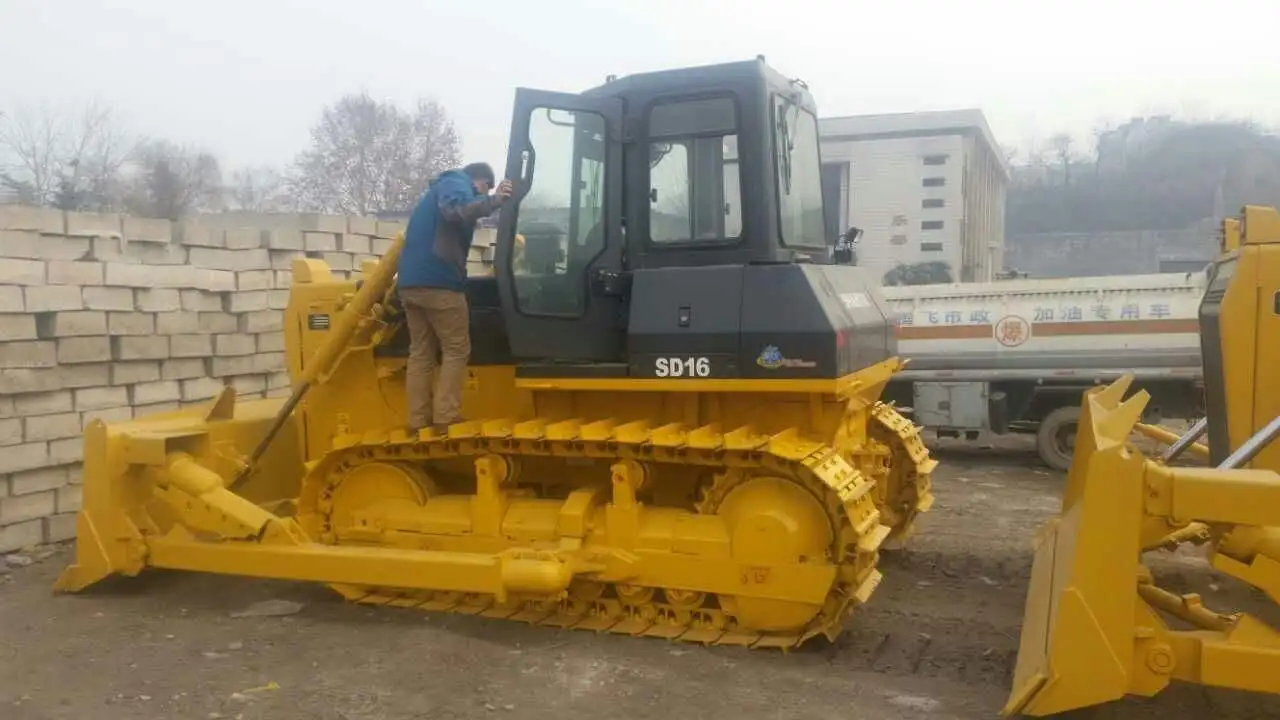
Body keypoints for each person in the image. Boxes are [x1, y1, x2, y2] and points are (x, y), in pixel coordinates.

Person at [397, 162, 513, 433]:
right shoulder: (456, 182)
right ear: (480, 180)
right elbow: (456, 210)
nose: (482, 193)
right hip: (439, 284)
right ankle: (446, 417)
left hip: (410, 285)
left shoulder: (438, 189)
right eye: (485, 187)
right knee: (456, 348)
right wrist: (494, 200)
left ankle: (417, 421)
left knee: (421, 353)